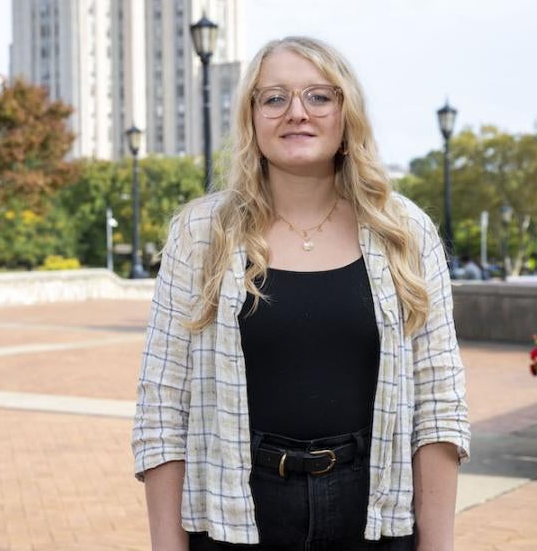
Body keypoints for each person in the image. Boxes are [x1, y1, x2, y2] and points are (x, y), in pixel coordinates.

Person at [132, 36, 470, 551]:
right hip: (234, 517)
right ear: (251, 118)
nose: (296, 113)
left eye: (318, 96)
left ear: (346, 114)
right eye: (274, 98)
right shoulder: (201, 233)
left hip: (374, 515)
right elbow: (162, 407)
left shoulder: (404, 231)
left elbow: (439, 404)